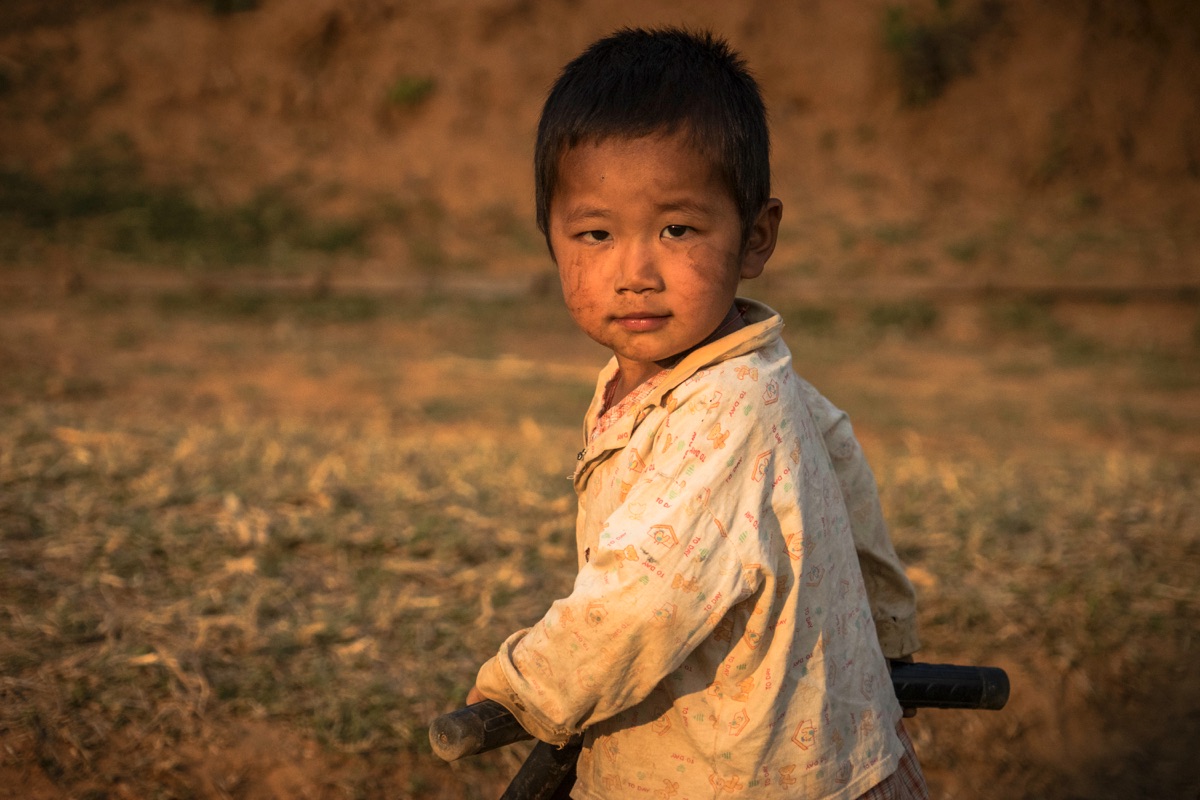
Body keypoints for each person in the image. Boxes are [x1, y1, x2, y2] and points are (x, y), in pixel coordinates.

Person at [469, 27, 928, 799]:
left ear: (755, 237)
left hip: (754, 778)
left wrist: (523, 687)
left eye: (676, 230)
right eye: (596, 234)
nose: (634, 273)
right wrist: (890, 645)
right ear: (552, 238)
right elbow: (843, 474)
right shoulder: (722, 376)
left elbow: (644, 597)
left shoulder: (729, 406)